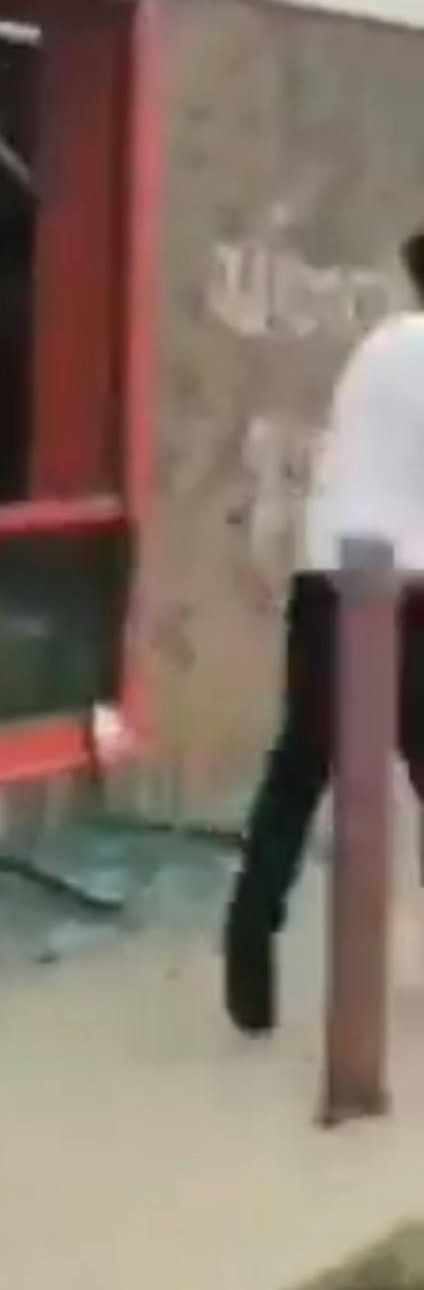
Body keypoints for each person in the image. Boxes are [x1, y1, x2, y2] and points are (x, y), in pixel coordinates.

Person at [224, 229, 424, 1034]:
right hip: (403, 586)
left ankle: (247, 955)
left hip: (327, 571)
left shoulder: (381, 346)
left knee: (300, 762)